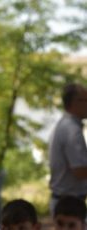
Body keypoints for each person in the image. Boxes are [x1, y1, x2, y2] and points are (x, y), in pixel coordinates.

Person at [48, 83, 87, 215]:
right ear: (75, 102)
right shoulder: (72, 130)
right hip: (69, 207)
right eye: (86, 99)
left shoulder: (65, 125)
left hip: (66, 203)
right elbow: (80, 171)